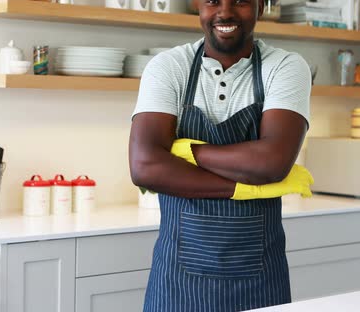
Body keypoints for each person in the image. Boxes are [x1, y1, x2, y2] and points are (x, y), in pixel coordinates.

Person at [128, 0, 315, 311]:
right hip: (177, 284)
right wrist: (243, 187)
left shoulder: (285, 67)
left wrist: (186, 151)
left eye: (240, 1)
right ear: (196, 4)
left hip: (260, 282)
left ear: (262, 6)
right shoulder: (168, 67)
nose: (225, 13)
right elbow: (145, 167)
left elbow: (272, 162)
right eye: (213, 0)